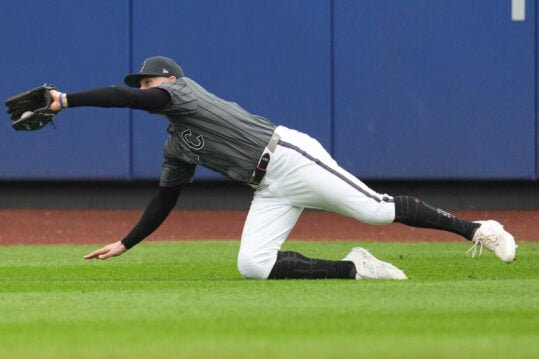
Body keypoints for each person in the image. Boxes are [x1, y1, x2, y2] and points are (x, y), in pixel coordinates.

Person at [46, 56, 516, 280]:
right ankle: (357, 268)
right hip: (268, 187)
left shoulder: (183, 92)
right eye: (144, 82)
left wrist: (66, 100)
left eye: (149, 79)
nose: (144, 86)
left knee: (374, 211)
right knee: (253, 265)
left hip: (289, 155)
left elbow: (130, 98)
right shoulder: (176, 142)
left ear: (168, 79)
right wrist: (127, 242)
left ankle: (479, 228)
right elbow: (166, 196)